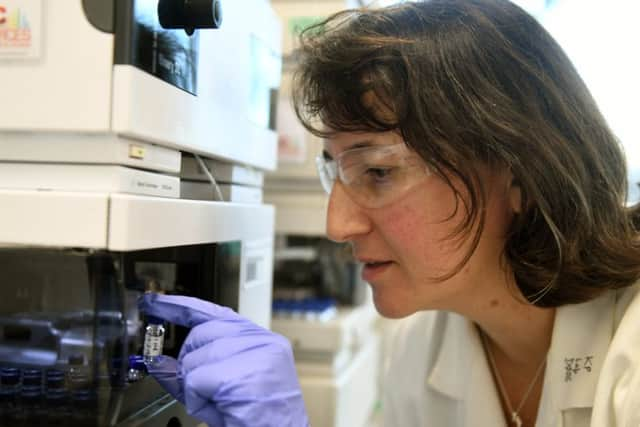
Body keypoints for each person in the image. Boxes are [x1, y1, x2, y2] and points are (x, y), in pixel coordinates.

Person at [139, 0, 640, 426]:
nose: (338, 226)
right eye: (335, 172)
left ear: (522, 175)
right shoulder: (422, 348)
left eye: (377, 172)